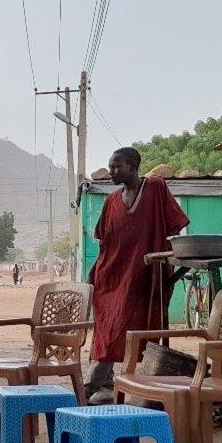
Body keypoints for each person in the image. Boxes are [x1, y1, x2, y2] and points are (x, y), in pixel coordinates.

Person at [85, 147, 189, 404]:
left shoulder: (155, 188)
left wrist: (166, 253)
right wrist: (93, 270)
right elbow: (104, 242)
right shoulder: (111, 201)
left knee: (143, 327)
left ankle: (135, 386)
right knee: (108, 328)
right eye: (110, 166)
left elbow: (175, 225)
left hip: (146, 272)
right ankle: (99, 384)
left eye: (117, 166)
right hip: (112, 275)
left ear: (133, 165)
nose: (111, 172)